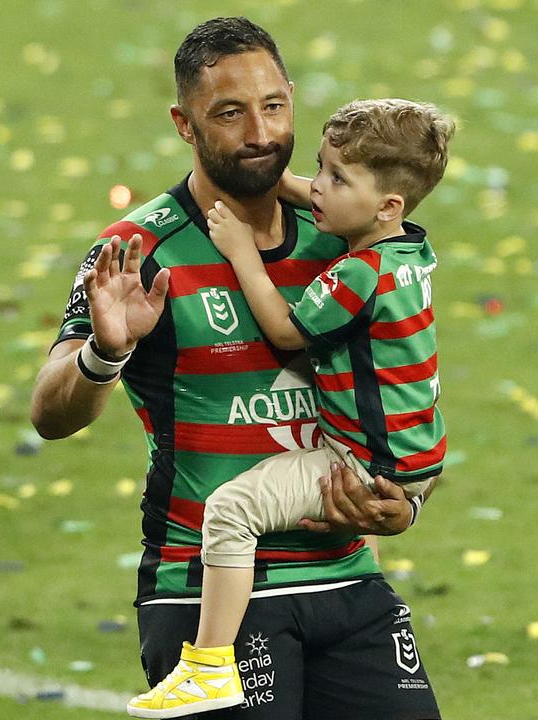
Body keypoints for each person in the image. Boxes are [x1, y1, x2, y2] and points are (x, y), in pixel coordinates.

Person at [30, 17, 441, 720]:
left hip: (346, 578)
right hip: (203, 594)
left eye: (274, 106)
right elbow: (49, 411)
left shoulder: (345, 233)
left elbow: (403, 387)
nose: (260, 132)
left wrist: (404, 501)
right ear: (185, 125)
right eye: (229, 112)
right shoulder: (138, 249)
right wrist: (107, 351)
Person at [134, 98, 453, 718]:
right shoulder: (411, 249)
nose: (316, 191)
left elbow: (285, 332)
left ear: (386, 206)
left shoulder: (357, 273)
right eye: (320, 169)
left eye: (336, 179)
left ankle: (206, 665)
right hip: (418, 460)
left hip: (359, 465)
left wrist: (240, 250)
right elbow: (347, 196)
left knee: (230, 509)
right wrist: (274, 175)